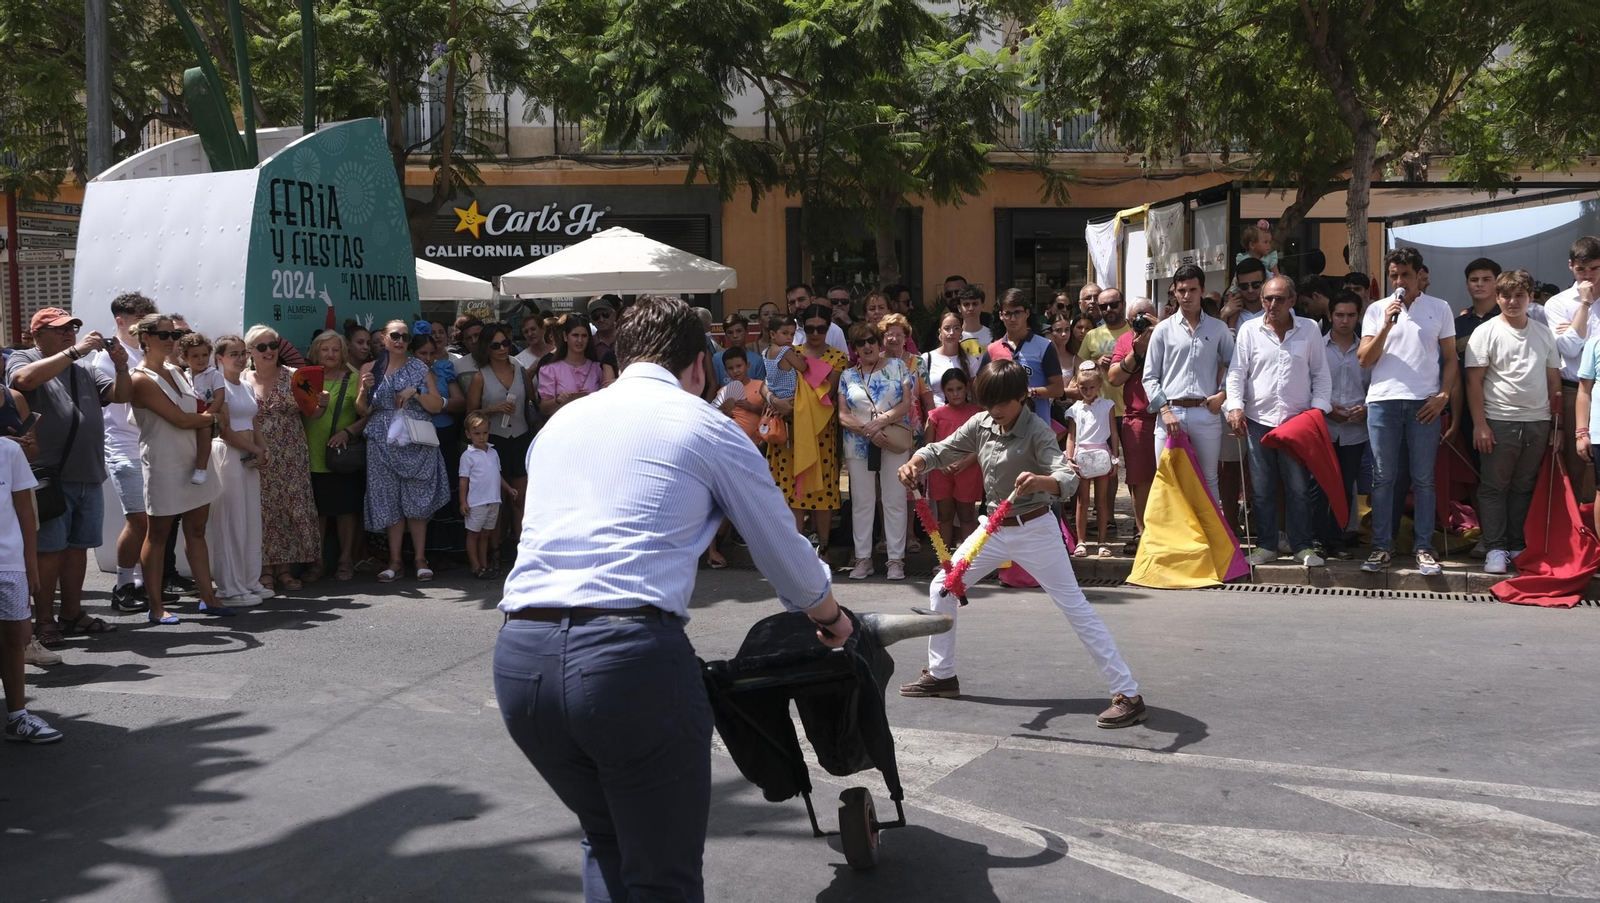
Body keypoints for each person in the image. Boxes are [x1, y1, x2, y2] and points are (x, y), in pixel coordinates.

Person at [494, 295, 849, 902]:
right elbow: (783, 553)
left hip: (521, 661)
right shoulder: (705, 425)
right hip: (627, 659)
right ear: (699, 366)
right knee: (662, 876)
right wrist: (831, 616)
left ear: (624, 355)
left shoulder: (562, 424)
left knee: (607, 838)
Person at [896, 360, 1146, 728]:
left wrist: (1042, 481)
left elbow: (1067, 477)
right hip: (993, 529)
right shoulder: (982, 423)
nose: (995, 410)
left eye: (1001, 402)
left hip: (1036, 530)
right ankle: (942, 675)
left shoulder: (1038, 431)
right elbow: (941, 450)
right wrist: (916, 463)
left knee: (1076, 608)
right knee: (943, 588)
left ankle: (1129, 694)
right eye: (989, 402)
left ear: (1021, 398)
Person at [8, 308, 129, 645]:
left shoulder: (84, 369)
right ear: (38, 334)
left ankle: (72, 614)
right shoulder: (24, 357)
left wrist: (121, 366)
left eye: (72, 328)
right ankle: (45, 620)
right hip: (49, 477)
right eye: (60, 329)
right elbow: (24, 381)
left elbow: (121, 395)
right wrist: (75, 351)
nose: (69, 333)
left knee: (78, 549)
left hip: (88, 473)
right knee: (49, 552)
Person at [1358, 247, 1457, 576]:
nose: (1399, 281)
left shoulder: (1440, 308)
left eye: (1405, 275)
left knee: (1423, 478)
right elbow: (1364, 359)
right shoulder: (1377, 310)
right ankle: (1381, 546)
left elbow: (1451, 358)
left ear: (1419, 275)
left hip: (1423, 404)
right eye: (1394, 275)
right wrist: (1387, 325)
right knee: (1383, 477)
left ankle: (1424, 548)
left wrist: (1443, 395)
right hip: (1383, 402)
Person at [127, 315, 229, 622]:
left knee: (196, 531)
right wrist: (214, 418)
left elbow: (193, 413)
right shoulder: (139, 379)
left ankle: (208, 598)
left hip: (195, 460)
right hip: (163, 464)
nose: (171, 340)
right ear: (145, 338)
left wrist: (208, 418)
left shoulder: (176, 370)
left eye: (174, 335)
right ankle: (156, 607)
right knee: (158, 536)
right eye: (163, 335)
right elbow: (182, 420)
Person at [1225, 276, 1332, 567]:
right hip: (1258, 419)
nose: (1273, 304)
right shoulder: (1249, 330)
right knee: (1262, 488)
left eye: (1280, 299)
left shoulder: (1309, 329)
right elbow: (1237, 373)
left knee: (1298, 487)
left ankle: (1303, 546)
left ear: (1293, 301)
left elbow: (1321, 375)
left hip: (1297, 423)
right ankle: (1266, 546)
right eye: (1268, 299)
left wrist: (1317, 413)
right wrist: (1235, 407)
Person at [1466, 270, 1561, 575]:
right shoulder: (1485, 332)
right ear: (1497, 298)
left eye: (1519, 295)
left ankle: (1517, 544)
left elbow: (1554, 382)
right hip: (1499, 420)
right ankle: (1495, 547)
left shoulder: (1544, 333)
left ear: (1531, 297)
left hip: (1538, 422)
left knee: (1523, 487)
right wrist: (1480, 424)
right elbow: (1473, 382)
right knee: (1494, 487)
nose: (1512, 301)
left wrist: (1556, 426)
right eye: (1506, 295)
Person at [357, 320, 452, 582]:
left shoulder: (419, 367)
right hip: (382, 439)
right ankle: (395, 561)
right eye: (395, 336)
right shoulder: (369, 368)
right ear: (384, 338)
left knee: (418, 498)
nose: (400, 341)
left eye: (405, 337)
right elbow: (363, 411)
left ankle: (421, 559)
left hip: (415, 439)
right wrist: (364, 390)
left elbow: (436, 406)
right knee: (389, 498)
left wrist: (417, 392)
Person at [1142, 265, 1234, 498]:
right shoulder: (1163, 330)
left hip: (1205, 412)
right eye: (1181, 290)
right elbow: (1149, 377)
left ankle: (1209, 525)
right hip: (1169, 412)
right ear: (1174, 291)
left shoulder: (1218, 328)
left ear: (1202, 290)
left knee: (1208, 479)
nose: (1187, 296)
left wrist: (1223, 394)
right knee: (1167, 481)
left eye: (1192, 290)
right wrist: (1164, 411)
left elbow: (1235, 366)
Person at [765, 304, 849, 555]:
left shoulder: (837, 357)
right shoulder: (790, 350)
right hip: (787, 432)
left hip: (820, 431)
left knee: (822, 489)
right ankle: (794, 550)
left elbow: (826, 393)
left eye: (821, 329)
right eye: (810, 328)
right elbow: (764, 385)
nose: (814, 333)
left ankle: (823, 547)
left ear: (828, 328)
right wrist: (774, 400)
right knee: (791, 489)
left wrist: (790, 402)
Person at [243, 325, 322, 591]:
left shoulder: (295, 376)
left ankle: (285, 569)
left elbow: (313, 413)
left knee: (289, 508)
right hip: (255, 451)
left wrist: (322, 404)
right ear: (250, 351)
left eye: (273, 345)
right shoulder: (242, 379)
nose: (269, 351)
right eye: (262, 347)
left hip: (290, 452)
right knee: (262, 510)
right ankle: (264, 569)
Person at [838, 321, 917, 581]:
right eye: (860, 343)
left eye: (871, 340)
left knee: (895, 499)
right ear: (854, 348)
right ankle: (863, 558)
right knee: (862, 502)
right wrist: (869, 431)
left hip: (891, 439)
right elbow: (843, 415)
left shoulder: (898, 366)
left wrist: (880, 422)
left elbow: (906, 404)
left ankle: (896, 560)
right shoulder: (847, 375)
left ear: (878, 342)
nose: (867, 346)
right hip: (859, 443)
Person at [90, 292, 154, 610]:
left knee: (153, 521)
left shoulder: (146, 351)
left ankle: (143, 582)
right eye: (138, 320)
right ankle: (123, 586)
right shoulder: (106, 356)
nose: (144, 327)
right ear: (120, 320)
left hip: (152, 445)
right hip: (123, 447)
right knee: (138, 520)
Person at [1, 432, 60, 743]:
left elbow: (26, 510)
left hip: (8, 562)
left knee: (17, 638)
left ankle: (17, 716)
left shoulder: (9, 450)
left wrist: (30, 564)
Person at [205, 335, 270, 604]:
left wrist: (263, 449)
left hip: (249, 458)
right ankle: (230, 588)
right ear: (220, 358)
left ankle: (250, 581)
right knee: (230, 522)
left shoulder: (246, 386)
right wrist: (255, 449)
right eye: (234, 354)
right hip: (227, 455)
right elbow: (225, 430)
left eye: (243, 353)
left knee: (251, 520)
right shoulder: (218, 388)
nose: (241, 358)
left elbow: (254, 424)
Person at [302, 331, 368, 583]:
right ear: (315, 352)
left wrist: (348, 432)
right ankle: (317, 563)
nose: (330, 354)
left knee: (345, 511)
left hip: (343, 456)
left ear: (343, 353)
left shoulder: (354, 378)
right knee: (316, 512)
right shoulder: (306, 379)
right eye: (325, 349)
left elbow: (368, 415)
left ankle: (345, 560)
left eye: (336, 349)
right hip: (311, 455)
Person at [468, 323, 534, 568]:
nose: (502, 349)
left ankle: (522, 551)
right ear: (487, 347)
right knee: (496, 502)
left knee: (520, 499)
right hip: (493, 441)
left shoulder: (520, 370)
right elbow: (470, 414)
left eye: (506, 343)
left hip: (520, 438)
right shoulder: (480, 376)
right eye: (495, 345)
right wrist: (492, 409)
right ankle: (495, 551)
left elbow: (532, 401)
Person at [1543, 236, 1600, 504]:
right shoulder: (1558, 303)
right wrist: (1585, 305)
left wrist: (1579, 334)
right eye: (1581, 269)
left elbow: (1576, 344)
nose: (1588, 276)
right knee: (1573, 467)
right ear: (1570, 266)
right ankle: (1576, 525)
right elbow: (1567, 349)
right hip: (1572, 390)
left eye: (1595, 268)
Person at [1316, 292, 1371, 559]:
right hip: (1324, 427)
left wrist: (1367, 408)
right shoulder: (1317, 347)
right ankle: (1317, 539)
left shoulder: (1367, 350)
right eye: (1339, 315)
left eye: (1350, 315)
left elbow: (1376, 386)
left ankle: (1338, 539)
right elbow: (1309, 384)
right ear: (1330, 316)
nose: (1345, 321)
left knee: (1345, 485)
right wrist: (1327, 408)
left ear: (1358, 317)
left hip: (1356, 430)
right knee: (1319, 486)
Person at [1108, 299, 1158, 554]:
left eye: (1146, 315)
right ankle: (1143, 532)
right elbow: (1114, 378)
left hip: (1170, 415)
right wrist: (1136, 352)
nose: (1141, 320)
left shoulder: (1168, 334)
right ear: (1128, 321)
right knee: (1140, 479)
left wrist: (1159, 331)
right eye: (1136, 316)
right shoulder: (1126, 340)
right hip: (1137, 417)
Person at [978, 288, 1065, 425]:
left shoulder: (1044, 346)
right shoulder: (992, 349)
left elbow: (1058, 389)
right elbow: (980, 387)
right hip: (1003, 428)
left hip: (1037, 426)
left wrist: (1030, 392)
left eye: (1018, 312)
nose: (1013, 319)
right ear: (1001, 315)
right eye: (1008, 313)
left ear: (1027, 313)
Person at [1064, 370, 1121, 558]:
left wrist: (1115, 457)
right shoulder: (1074, 409)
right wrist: (1069, 458)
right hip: (1081, 457)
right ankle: (1081, 542)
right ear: (1078, 386)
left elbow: (1114, 433)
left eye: (1091, 388)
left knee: (1101, 501)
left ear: (1099, 386)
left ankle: (1102, 542)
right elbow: (1071, 436)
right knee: (1082, 501)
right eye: (1083, 388)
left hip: (1102, 455)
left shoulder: (1107, 405)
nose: (1088, 392)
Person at [924, 368, 982, 549]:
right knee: (944, 515)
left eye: (959, 388)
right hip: (941, 471)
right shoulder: (935, 415)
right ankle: (943, 558)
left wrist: (967, 461)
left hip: (969, 469)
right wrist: (940, 463)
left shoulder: (978, 414)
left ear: (967, 388)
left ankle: (968, 559)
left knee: (967, 515)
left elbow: (982, 443)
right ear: (943, 390)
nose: (955, 394)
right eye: (950, 390)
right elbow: (929, 446)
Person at [459, 411, 517, 579]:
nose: (481, 437)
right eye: (477, 433)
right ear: (468, 434)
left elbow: (497, 474)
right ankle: (475, 566)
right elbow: (463, 480)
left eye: (485, 433)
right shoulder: (467, 456)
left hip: (493, 500)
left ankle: (484, 565)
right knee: (473, 534)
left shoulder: (493, 452)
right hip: (476, 502)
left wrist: (508, 489)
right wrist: (463, 501)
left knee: (486, 535)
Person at [538, 313, 613, 419]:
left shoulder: (597, 368)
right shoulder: (550, 369)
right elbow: (544, 409)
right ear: (565, 336)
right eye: (575, 335)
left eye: (584, 336)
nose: (580, 340)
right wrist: (558, 400)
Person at [1080, 287, 1131, 421]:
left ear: (1123, 304)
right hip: (1099, 410)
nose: (1108, 309)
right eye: (1103, 306)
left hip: (1130, 410)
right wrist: (1096, 363)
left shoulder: (1134, 331)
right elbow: (1079, 369)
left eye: (1113, 304)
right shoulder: (1091, 335)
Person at [178, 333, 220, 485]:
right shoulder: (183, 375)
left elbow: (220, 397)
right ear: (185, 358)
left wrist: (207, 415)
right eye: (195, 356)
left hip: (206, 411)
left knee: (204, 432)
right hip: (189, 412)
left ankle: (201, 468)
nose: (201, 359)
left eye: (204, 355)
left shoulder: (214, 374)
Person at [919, 311, 979, 409]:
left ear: (961, 332)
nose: (951, 333)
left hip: (964, 416)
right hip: (934, 414)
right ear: (940, 332)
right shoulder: (926, 359)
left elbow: (975, 396)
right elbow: (921, 396)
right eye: (947, 328)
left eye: (956, 328)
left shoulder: (971, 360)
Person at [786, 283, 848, 354]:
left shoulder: (834, 331)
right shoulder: (785, 330)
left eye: (801, 300)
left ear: (813, 300)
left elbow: (844, 359)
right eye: (792, 302)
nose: (797, 305)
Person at [713, 313, 765, 386]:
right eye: (730, 332)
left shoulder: (757, 360)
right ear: (726, 335)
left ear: (746, 332)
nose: (735, 336)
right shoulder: (717, 358)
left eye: (739, 331)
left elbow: (760, 387)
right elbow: (715, 386)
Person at [1219, 257, 1268, 330]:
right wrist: (1223, 316)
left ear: (1264, 282)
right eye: (1244, 286)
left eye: (1256, 285)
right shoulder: (1229, 311)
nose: (1250, 290)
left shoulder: (1273, 308)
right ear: (1238, 286)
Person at [956, 286, 992, 355]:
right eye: (966, 304)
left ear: (982, 306)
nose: (971, 308)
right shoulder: (953, 336)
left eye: (975, 304)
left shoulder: (992, 335)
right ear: (959, 308)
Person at [587, 294, 623, 362]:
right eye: (596, 317)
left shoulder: (625, 339)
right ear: (592, 321)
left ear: (614, 315)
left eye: (605, 314)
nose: (601, 320)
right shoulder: (589, 344)